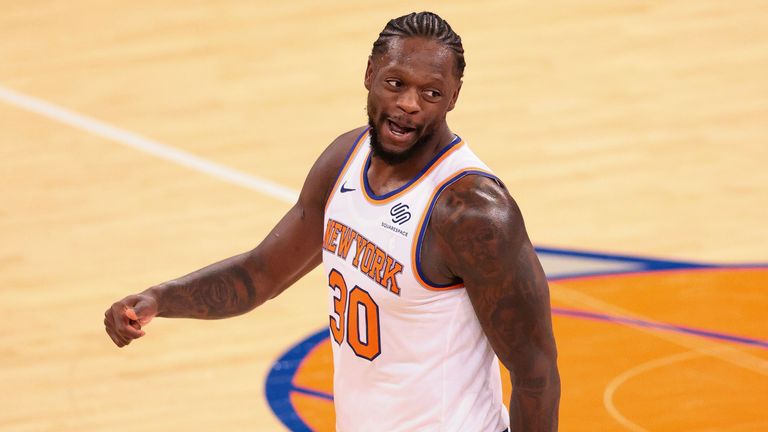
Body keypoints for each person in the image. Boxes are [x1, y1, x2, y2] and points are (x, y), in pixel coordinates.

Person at [104, 11, 560, 431]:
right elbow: (259, 275)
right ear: (368, 75)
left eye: (431, 92)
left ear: (453, 98)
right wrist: (159, 299)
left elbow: (535, 373)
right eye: (395, 83)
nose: (409, 104)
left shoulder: (471, 213)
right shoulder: (345, 158)